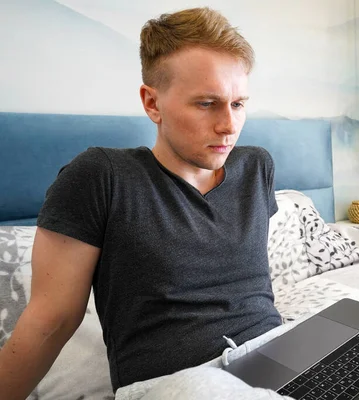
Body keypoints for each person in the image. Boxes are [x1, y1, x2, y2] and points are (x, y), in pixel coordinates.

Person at [0, 7, 283, 398]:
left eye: (238, 104)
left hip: (276, 352)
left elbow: (249, 286)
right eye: (206, 104)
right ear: (152, 103)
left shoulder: (257, 167)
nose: (229, 125)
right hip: (180, 381)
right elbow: (51, 320)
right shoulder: (102, 176)